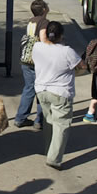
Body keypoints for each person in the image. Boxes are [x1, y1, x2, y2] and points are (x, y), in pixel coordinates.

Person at [32, 21, 86, 169]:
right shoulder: (67, 51)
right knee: (61, 124)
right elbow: (82, 66)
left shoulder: (37, 47)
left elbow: (41, 37)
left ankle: (48, 149)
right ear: (61, 35)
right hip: (61, 92)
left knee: (49, 121)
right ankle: (54, 158)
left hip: (41, 90)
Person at [14, 0, 50, 129]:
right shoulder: (44, 22)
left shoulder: (31, 21)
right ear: (44, 9)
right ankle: (39, 121)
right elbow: (43, 39)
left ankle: (20, 118)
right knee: (41, 90)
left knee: (29, 88)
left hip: (26, 59)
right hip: (38, 61)